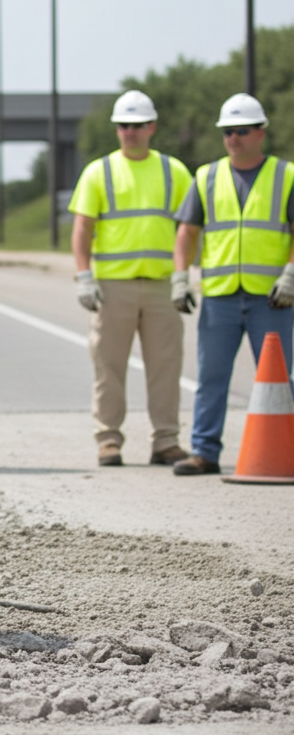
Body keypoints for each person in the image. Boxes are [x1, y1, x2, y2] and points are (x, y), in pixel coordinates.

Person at [170, 92, 294, 476]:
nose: (233, 138)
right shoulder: (206, 177)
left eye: (242, 131)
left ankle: (287, 453)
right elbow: (187, 232)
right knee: (211, 378)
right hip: (220, 297)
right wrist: (180, 277)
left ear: (261, 132)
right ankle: (204, 452)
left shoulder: (286, 176)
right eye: (227, 132)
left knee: (280, 380)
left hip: (271, 298)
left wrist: (291, 274)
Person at [68, 89, 193, 467]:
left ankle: (166, 441)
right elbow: (82, 228)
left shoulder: (174, 171)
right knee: (108, 368)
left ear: (152, 127)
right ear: (116, 128)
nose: (130, 131)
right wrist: (84, 275)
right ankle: (109, 440)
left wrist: (183, 276)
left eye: (138, 125)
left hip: (161, 286)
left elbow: (189, 229)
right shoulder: (99, 172)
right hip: (112, 288)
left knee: (166, 367)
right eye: (124, 125)